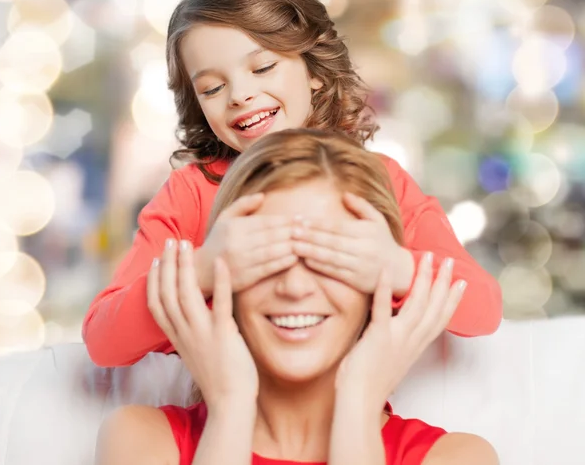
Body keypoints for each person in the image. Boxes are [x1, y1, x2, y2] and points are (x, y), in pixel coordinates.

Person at [83, 0, 502, 368]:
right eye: (212, 87)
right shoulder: (191, 195)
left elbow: (483, 310)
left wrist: (394, 267)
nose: (240, 95)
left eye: (263, 67)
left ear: (314, 70)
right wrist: (205, 270)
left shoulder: (380, 180)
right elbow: (104, 341)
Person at [95, 130, 498, 465]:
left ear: (380, 284)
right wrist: (229, 407)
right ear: (224, 284)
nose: (295, 287)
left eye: (328, 259)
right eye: (268, 258)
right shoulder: (140, 441)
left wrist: (358, 406)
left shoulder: (458, 457)